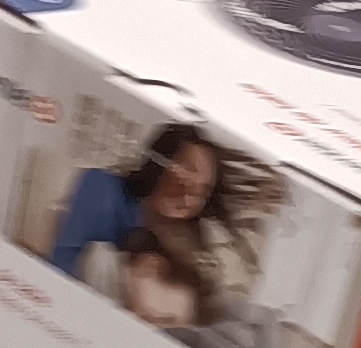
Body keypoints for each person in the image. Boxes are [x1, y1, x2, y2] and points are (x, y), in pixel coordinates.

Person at [52, 124, 229, 335]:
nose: (188, 195)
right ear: (158, 162)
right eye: (186, 172)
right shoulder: (102, 189)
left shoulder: (188, 243)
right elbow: (62, 269)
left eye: (202, 190)